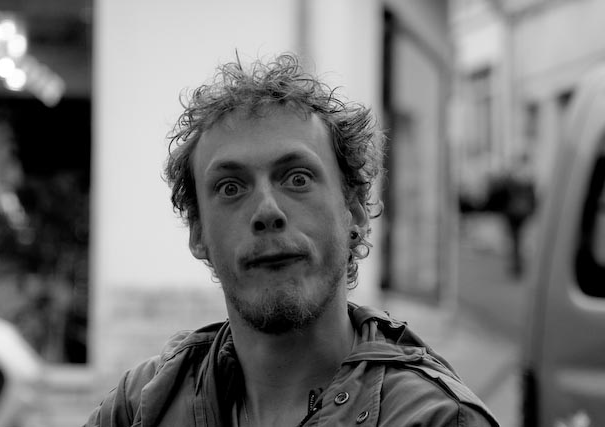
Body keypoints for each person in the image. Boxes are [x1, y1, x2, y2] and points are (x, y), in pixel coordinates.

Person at [84, 53, 499, 427]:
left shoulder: (435, 419)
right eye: (231, 187)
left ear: (354, 212)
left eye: (297, 179)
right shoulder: (142, 405)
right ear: (198, 233)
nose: (267, 211)